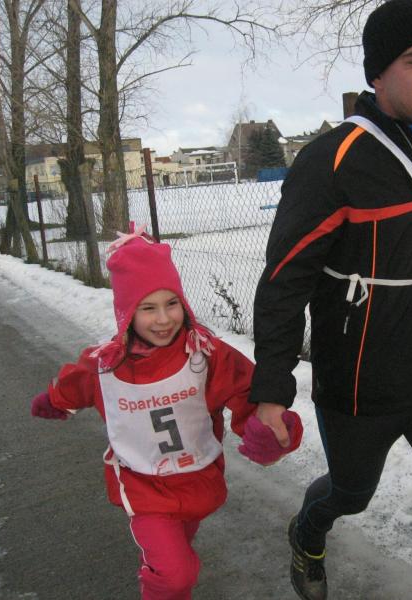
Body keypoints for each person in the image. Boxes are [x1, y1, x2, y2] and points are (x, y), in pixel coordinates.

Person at [249, 1, 412, 598]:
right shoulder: (334, 161)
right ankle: (308, 530)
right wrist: (271, 389)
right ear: (378, 75)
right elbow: (286, 280)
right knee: (351, 494)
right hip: (364, 385)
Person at [30, 227, 302, 600]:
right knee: (176, 575)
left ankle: (162, 573)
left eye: (171, 304)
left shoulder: (204, 355)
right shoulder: (106, 366)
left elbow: (247, 393)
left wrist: (270, 430)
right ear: (127, 312)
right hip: (142, 484)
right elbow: (76, 383)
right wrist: (55, 400)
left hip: (196, 480)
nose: (163, 319)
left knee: (177, 554)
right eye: (148, 308)